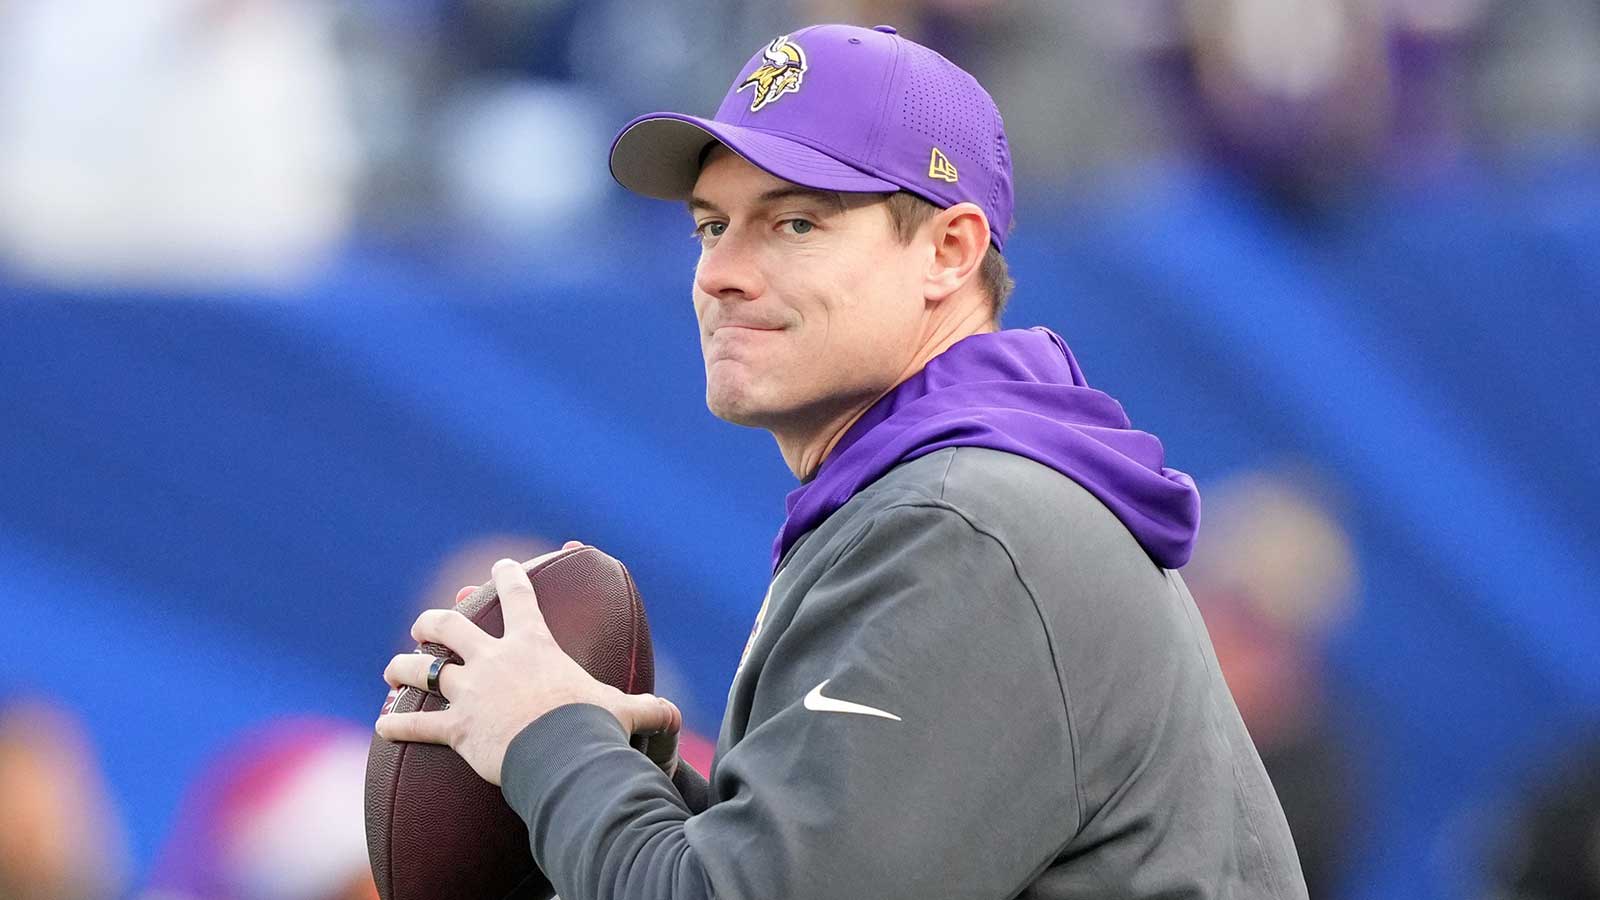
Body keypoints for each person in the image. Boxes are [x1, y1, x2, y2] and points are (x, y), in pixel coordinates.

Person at [377, 23, 1308, 899]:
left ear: (950, 249)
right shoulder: (951, 496)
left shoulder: (960, 530)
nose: (719, 272)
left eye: (794, 225)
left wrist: (549, 739)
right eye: (711, 226)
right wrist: (639, 783)